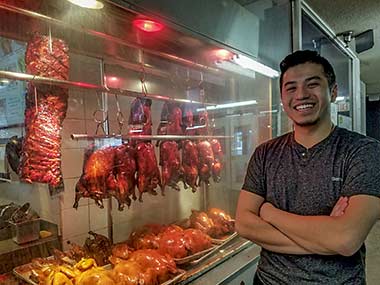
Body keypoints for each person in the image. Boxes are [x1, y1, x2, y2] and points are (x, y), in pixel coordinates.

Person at [235, 50, 380, 285]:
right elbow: (243, 223)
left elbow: (346, 239)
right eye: (291, 88)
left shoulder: (363, 151)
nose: (301, 95)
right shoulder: (265, 153)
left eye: (312, 84)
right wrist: (326, 241)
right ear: (282, 99)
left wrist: (270, 213)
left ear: (332, 92)